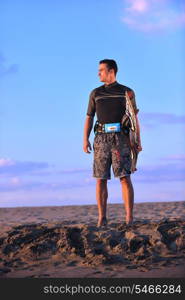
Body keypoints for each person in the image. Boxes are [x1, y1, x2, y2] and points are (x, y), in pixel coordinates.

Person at [83, 59, 142, 227]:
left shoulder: (127, 92)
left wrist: (137, 140)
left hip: (121, 139)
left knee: (124, 177)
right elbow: (89, 117)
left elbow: (134, 117)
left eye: (101, 70)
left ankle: (129, 218)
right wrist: (85, 139)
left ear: (111, 71)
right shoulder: (95, 93)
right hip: (101, 139)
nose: (98, 73)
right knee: (100, 178)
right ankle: (102, 218)